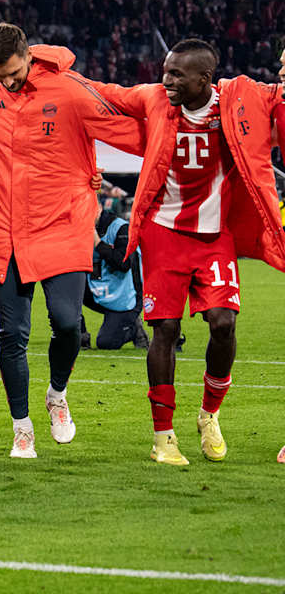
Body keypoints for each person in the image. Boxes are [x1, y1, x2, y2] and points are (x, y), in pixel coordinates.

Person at [90, 39, 285, 465]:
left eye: (177, 74)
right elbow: (106, 92)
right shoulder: (156, 99)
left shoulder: (236, 102)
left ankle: (209, 414)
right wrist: (52, 72)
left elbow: (276, 96)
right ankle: (163, 436)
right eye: (166, 71)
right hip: (164, 235)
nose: (167, 80)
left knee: (223, 324)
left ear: (205, 80)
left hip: (215, 237)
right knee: (163, 330)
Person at [0, 22, 143, 458]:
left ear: (30, 55)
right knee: (12, 334)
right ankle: (22, 427)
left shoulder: (70, 89)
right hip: (4, 226)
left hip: (62, 223)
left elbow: (125, 114)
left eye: (14, 73)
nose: (7, 82)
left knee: (66, 323)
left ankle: (57, 394)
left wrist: (180, 123)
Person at [80, 208, 149, 350]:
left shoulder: (121, 228)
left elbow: (123, 265)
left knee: (106, 343)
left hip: (128, 296)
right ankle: (79, 336)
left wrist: (97, 242)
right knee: (65, 288)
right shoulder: (78, 227)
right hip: (100, 287)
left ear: (97, 208)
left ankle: (134, 329)